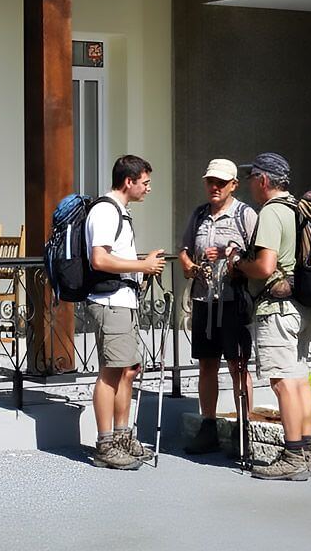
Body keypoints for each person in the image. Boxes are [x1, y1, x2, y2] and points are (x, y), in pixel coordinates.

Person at [229, 152, 311, 480]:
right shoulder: (298, 209)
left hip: (277, 309)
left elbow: (265, 266)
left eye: (252, 177)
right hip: (303, 306)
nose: (250, 183)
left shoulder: (271, 213)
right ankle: (307, 452)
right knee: (299, 380)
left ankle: (292, 455)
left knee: (282, 383)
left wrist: (238, 265)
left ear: (264, 180)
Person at [87, 155, 167, 470]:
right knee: (110, 372)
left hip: (123, 300)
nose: (149, 188)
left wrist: (142, 268)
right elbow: (99, 260)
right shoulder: (106, 211)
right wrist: (142, 265)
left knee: (128, 369)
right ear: (128, 181)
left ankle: (121, 438)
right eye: (145, 182)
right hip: (110, 303)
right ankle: (105, 445)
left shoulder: (120, 211)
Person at [178, 158, 257, 455]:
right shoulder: (199, 215)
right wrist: (190, 265)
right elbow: (184, 251)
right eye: (211, 181)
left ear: (234, 185)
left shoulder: (245, 215)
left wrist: (232, 258)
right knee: (206, 365)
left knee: (238, 365)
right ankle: (208, 426)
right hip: (203, 300)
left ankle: (243, 428)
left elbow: (258, 257)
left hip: (233, 300)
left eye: (221, 183)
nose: (214, 187)